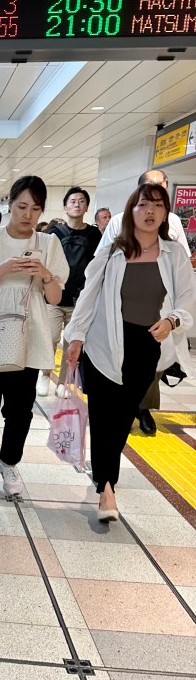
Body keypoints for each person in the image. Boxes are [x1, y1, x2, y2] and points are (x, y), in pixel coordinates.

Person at [65, 183, 195, 521]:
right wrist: (75, 337)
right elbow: (89, 295)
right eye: (143, 204)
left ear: (166, 214)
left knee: (123, 417)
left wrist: (172, 320)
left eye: (158, 205)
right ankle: (106, 487)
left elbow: (188, 300)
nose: (150, 211)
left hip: (146, 345)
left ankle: (104, 478)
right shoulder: (112, 251)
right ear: (130, 211)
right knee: (102, 416)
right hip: (103, 342)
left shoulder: (174, 254)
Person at [0, 176, 69, 502]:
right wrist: (4, 268)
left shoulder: (48, 243)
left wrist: (45, 274)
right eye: (22, 206)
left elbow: (55, 297)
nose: (28, 214)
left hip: (30, 338)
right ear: (10, 204)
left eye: (35, 208)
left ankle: (8, 463)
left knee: (20, 413)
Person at [97, 169, 191, 435]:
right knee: (120, 360)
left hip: (159, 306)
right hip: (122, 305)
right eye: (148, 193)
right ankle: (122, 408)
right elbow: (101, 261)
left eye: (160, 192)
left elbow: (182, 262)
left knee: (152, 362)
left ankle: (143, 408)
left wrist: (175, 316)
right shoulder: (119, 221)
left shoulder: (173, 221)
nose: (152, 206)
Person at [37, 187, 101, 398]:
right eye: (72, 201)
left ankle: (64, 382)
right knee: (50, 338)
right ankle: (45, 374)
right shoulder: (54, 234)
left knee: (71, 342)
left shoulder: (94, 235)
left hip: (81, 299)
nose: (77, 204)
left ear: (87, 206)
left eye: (81, 201)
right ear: (65, 207)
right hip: (53, 298)